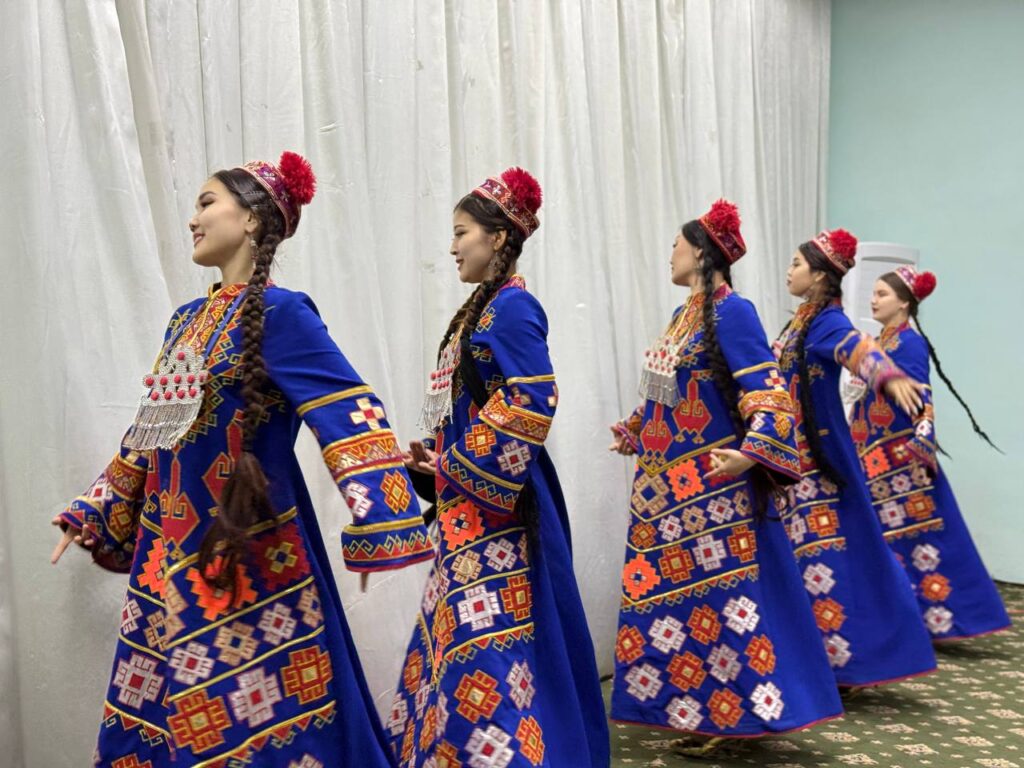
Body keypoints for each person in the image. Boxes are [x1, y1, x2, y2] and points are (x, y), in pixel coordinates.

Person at [52, 152, 433, 767]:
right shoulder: (184, 322)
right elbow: (149, 431)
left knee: (258, 727)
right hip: (166, 555)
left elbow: (349, 409)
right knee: (162, 719)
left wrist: (381, 521)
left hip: (246, 557)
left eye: (206, 202)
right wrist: (97, 505)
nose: (192, 218)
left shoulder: (284, 313)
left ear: (252, 219)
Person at [388, 168, 609, 767]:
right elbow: (475, 407)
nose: (452, 246)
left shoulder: (513, 307)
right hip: (471, 506)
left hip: (503, 512)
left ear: (498, 237)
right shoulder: (478, 312)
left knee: (491, 640)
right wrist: (434, 463)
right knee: (472, 638)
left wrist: (457, 463)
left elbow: (534, 398)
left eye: (461, 232)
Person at [609, 201, 842, 757]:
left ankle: (731, 714)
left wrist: (751, 452)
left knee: (721, 602)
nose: (670, 253)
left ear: (701, 252)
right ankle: (689, 708)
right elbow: (669, 391)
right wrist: (637, 428)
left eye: (676, 244)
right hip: (664, 488)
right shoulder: (682, 316)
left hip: (713, 488)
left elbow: (768, 392)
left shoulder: (735, 312)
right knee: (674, 603)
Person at [775, 229, 937, 689]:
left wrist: (887, 375)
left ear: (819, 275)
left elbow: (857, 348)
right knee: (810, 558)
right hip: (793, 461)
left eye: (796, 264)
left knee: (824, 558)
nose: (789, 271)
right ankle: (822, 661)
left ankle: (841, 662)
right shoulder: (800, 322)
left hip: (817, 466)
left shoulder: (827, 321)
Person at [850, 267, 1009, 640]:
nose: (873, 300)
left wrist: (921, 446)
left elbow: (922, 398)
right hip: (871, 456)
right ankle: (906, 619)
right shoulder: (878, 343)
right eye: (873, 293)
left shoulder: (909, 344)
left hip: (900, 461)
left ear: (904, 302)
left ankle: (936, 618)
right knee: (896, 539)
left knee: (916, 540)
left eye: (882, 294)